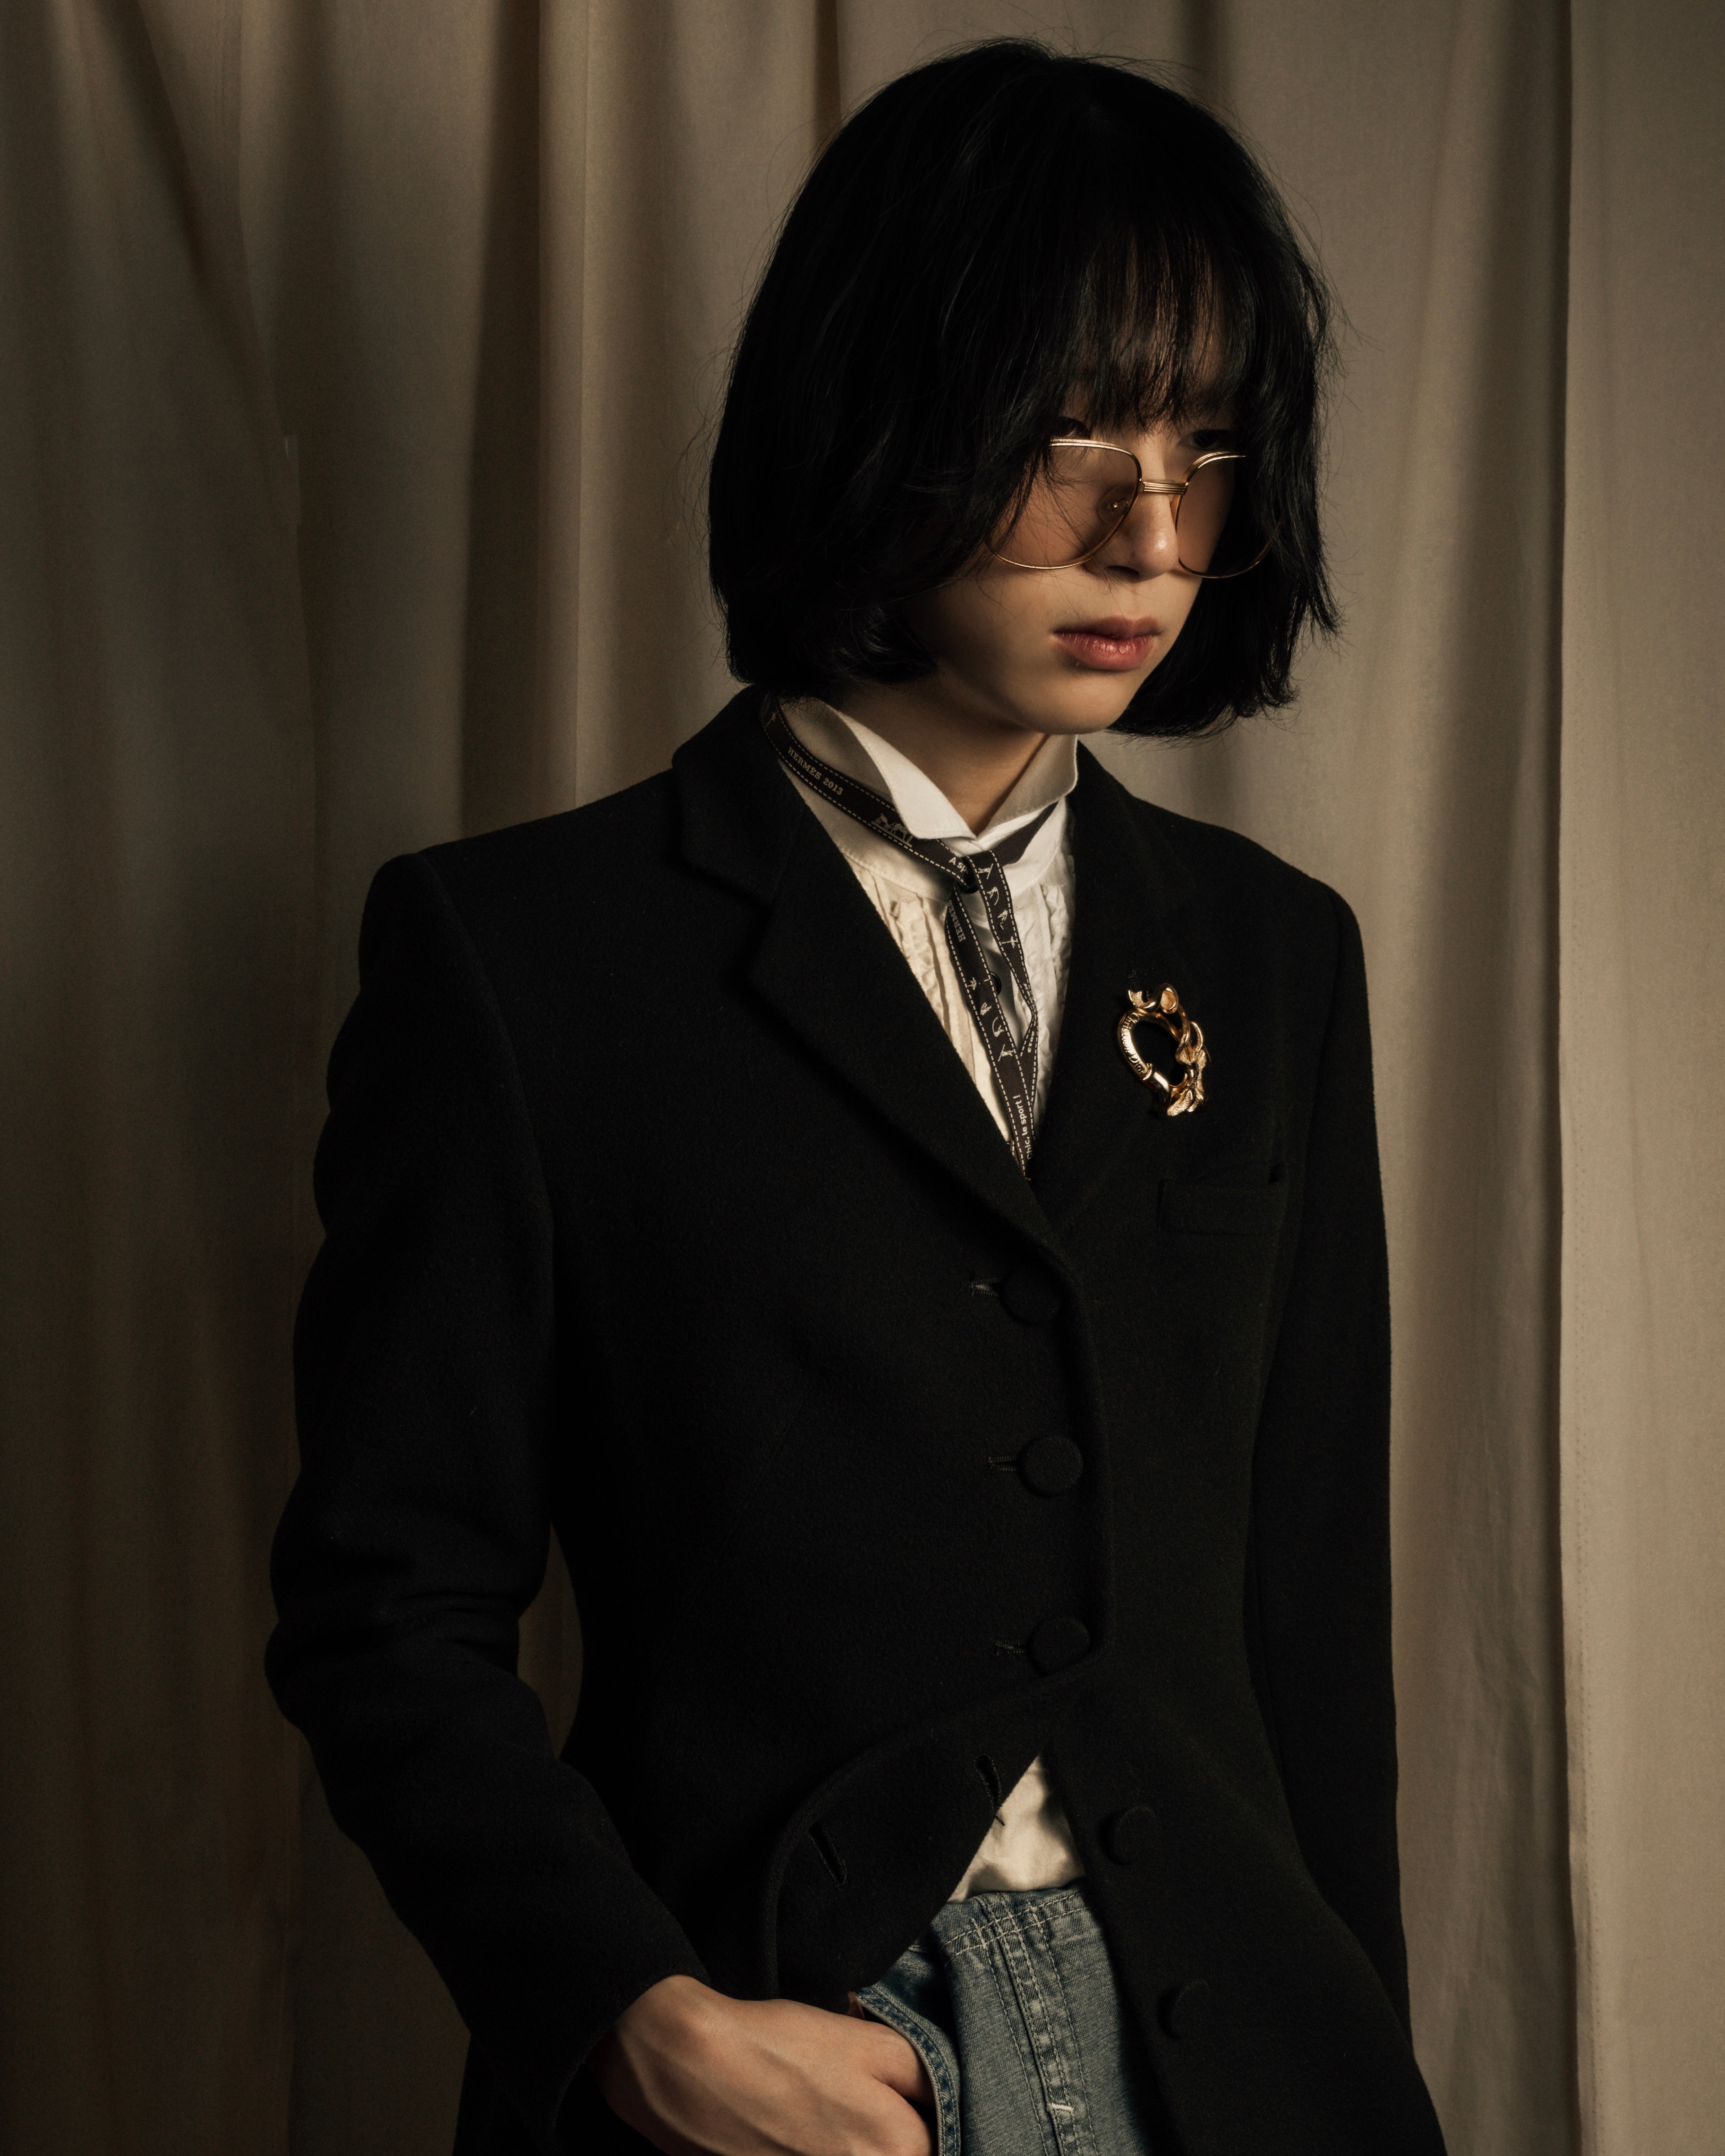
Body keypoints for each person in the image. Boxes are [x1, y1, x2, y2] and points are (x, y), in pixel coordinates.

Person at [267, 39, 1448, 2156]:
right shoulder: (525, 956)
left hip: (1222, 2058)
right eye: (1074, 433)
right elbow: (385, 1608)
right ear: (879, 410)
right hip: (785, 2043)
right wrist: (629, 2012)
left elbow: (1312, 1638)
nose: (1151, 529)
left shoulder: (1276, 957)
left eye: (1206, 446)